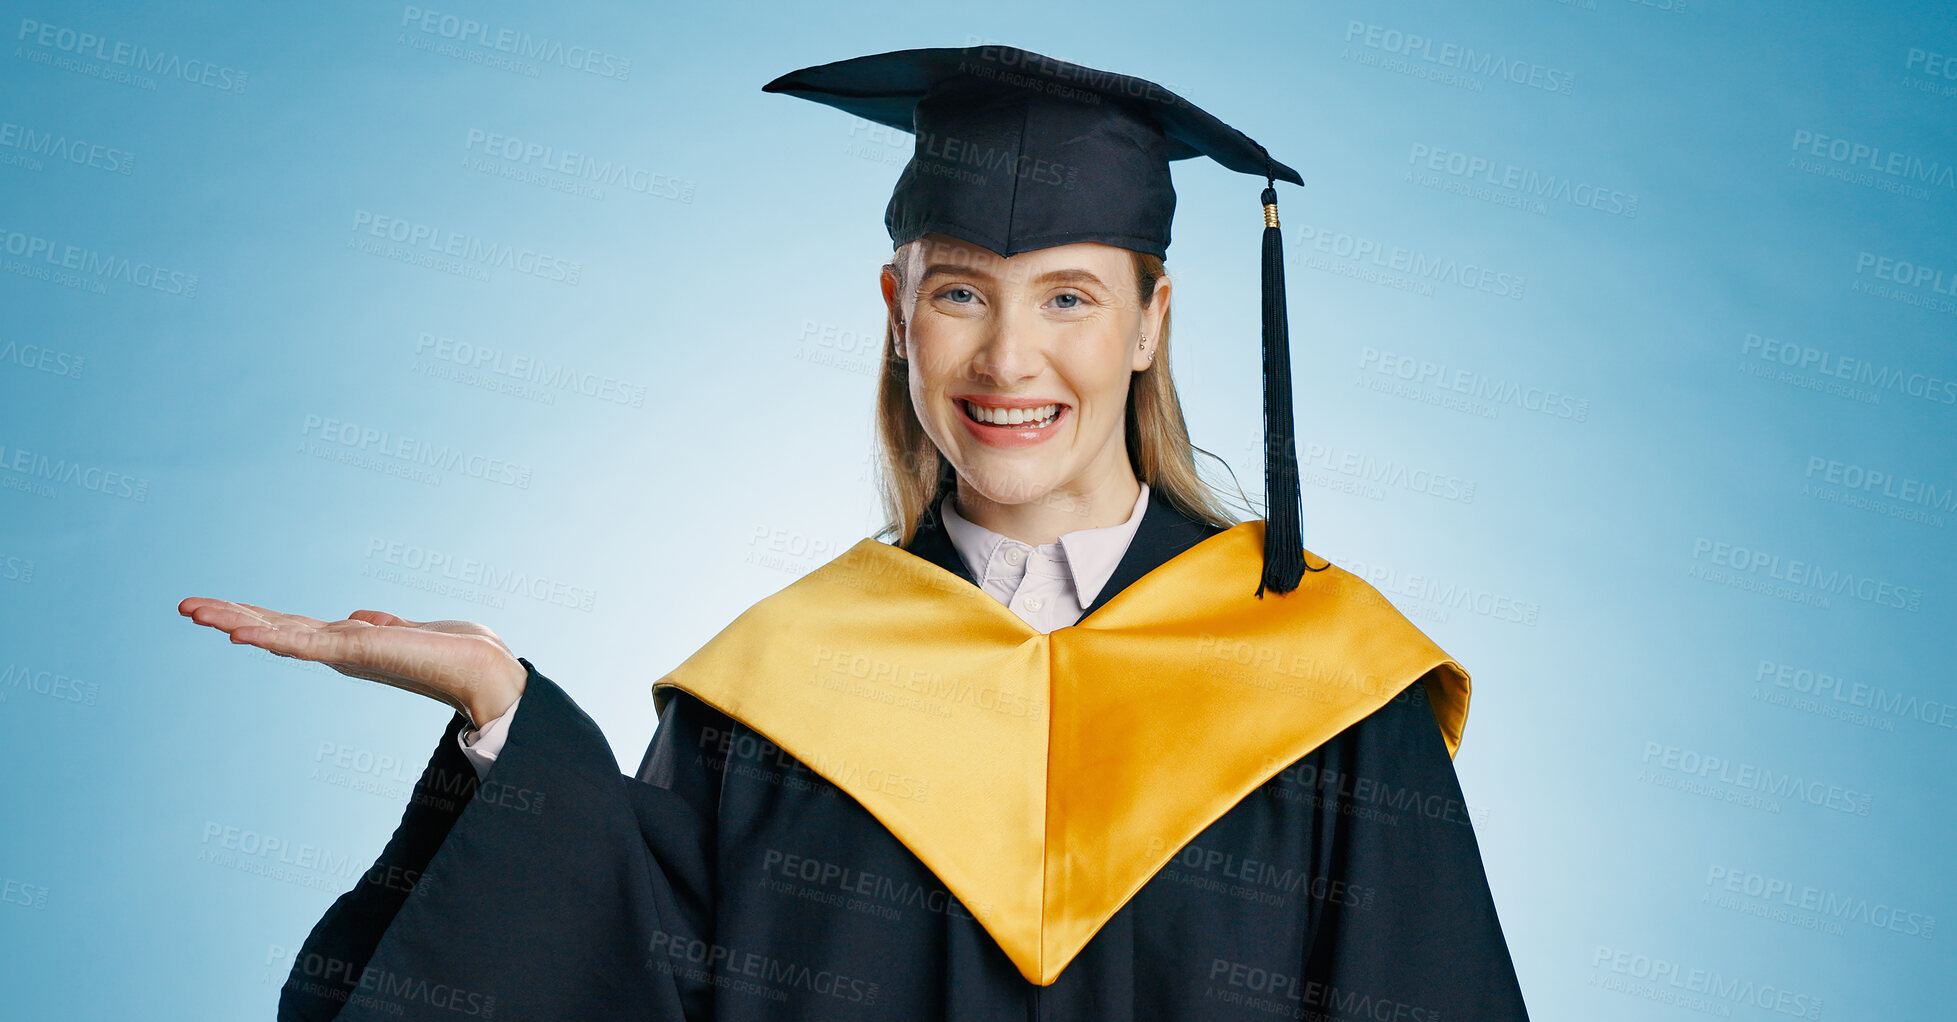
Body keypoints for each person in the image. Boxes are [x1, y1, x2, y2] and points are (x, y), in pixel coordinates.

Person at [181, 44, 1531, 1021]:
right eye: (961, 292)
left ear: (1148, 322)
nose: (1009, 356)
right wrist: (506, 721)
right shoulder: (785, 693)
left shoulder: (1326, 687)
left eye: (1067, 297)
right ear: (896, 306)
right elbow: (624, 973)